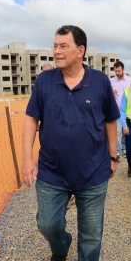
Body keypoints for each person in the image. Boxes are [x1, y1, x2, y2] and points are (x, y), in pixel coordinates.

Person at [21, 25, 119, 261]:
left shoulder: (100, 82)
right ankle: (61, 246)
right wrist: (27, 159)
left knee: (91, 233)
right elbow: (30, 120)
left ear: (80, 51)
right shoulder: (45, 82)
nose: (57, 51)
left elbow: (111, 121)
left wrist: (113, 157)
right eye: (55, 45)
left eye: (63, 46)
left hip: (93, 174)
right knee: (47, 224)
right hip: (52, 173)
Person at [39, 62, 74, 210]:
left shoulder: (61, 83)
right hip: (52, 149)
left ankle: (71, 194)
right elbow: (36, 111)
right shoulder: (42, 84)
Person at [109, 61, 131, 158]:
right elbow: (106, 95)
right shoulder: (111, 81)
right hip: (117, 110)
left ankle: (124, 148)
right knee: (118, 131)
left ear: (123, 70)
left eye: (118, 71)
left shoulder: (130, 80)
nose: (117, 73)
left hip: (128, 110)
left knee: (125, 130)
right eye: (115, 71)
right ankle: (118, 150)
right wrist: (111, 93)